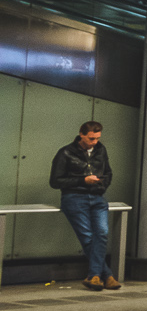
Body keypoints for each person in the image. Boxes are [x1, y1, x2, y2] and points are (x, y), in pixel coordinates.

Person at [51, 120, 119, 290]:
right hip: (74, 198)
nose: (94, 142)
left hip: (97, 197)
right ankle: (106, 275)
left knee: (102, 233)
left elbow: (108, 172)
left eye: (97, 138)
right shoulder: (65, 152)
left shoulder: (100, 150)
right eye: (91, 138)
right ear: (81, 134)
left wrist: (102, 185)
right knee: (88, 237)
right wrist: (83, 180)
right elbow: (55, 181)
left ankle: (95, 275)